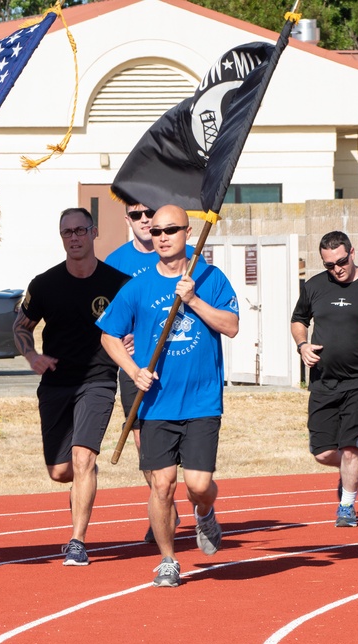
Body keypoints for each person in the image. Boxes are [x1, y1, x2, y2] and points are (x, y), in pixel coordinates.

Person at [98, 204, 239, 588]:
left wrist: (193, 300)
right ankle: (168, 559)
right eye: (156, 231)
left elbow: (231, 327)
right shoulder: (138, 286)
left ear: (188, 233)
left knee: (197, 485)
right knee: (161, 484)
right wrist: (133, 370)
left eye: (170, 230)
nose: (161, 237)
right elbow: (108, 334)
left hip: (201, 401)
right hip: (156, 403)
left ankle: (206, 511)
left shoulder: (210, 278)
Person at [13, 207, 129, 567]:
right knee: (60, 471)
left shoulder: (118, 282)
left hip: (97, 379)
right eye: (68, 233)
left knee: (84, 459)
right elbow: (21, 327)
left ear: (94, 233)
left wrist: (134, 341)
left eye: (81, 230)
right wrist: (32, 356)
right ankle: (80, 487)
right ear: (61, 237)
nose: (75, 237)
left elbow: (141, 324)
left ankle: (77, 540)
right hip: (57, 382)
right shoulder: (45, 283)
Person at [104, 201, 204, 542]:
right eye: (137, 216)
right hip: (139, 369)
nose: (146, 222)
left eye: (152, 216)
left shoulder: (191, 257)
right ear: (127, 220)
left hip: (179, 369)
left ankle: (192, 499)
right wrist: (127, 342)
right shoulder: (117, 261)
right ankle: (164, 506)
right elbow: (110, 320)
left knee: (191, 465)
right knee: (144, 445)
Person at [290, 231, 358, 527]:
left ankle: (347, 506)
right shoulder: (315, 286)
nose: (337, 269)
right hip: (323, 381)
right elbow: (298, 320)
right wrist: (302, 345)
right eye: (329, 265)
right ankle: (348, 472)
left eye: (341, 261)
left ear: (352, 253)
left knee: (352, 446)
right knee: (323, 452)